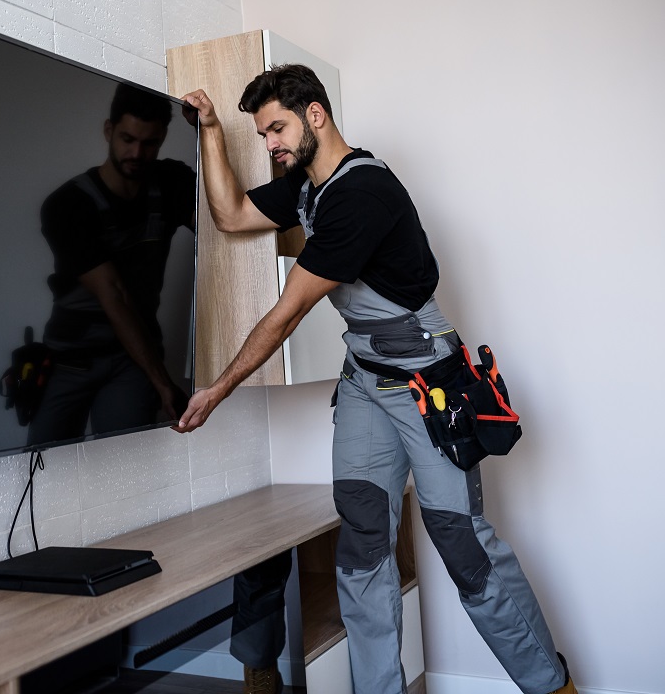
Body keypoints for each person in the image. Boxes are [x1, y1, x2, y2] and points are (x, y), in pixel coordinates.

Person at [174, 67, 579, 694]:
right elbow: (229, 215)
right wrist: (209, 131)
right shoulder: (306, 187)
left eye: (277, 128)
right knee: (362, 547)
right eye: (262, 134)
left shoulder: (360, 194)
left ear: (316, 115)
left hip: (425, 382)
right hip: (365, 379)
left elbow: (285, 317)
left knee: (463, 546)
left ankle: (551, 685)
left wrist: (218, 389)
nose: (271, 144)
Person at [26, 83, 194, 445]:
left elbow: (225, 227)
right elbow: (113, 294)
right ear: (109, 131)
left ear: (163, 137)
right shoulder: (67, 205)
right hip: (69, 359)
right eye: (127, 139)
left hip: (133, 362)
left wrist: (205, 130)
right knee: (42, 463)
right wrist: (163, 382)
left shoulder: (172, 183)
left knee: (129, 458)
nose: (136, 152)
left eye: (149, 143)